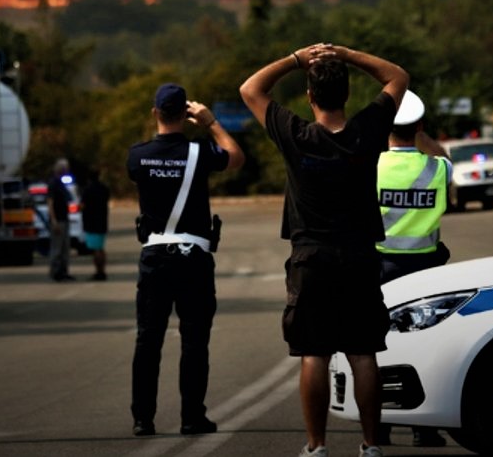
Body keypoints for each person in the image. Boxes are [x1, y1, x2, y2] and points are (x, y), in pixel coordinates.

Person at [239, 43, 408, 457]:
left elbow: (251, 89)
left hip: (311, 256)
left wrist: (297, 59)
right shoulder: (367, 130)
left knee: (313, 353)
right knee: (363, 353)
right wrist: (347, 55)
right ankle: (371, 446)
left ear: (310, 97)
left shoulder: (296, 134)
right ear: (347, 94)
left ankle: (316, 446)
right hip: (359, 255)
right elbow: (397, 77)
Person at [127, 83, 245, 437]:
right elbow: (236, 158)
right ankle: (192, 417)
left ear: (155, 113)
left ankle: (142, 419)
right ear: (185, 114)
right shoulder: (200, 151)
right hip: (193, 256)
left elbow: (142, 173)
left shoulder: (137, 155)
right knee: (194, 340)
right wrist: (211, 122)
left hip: (155, 256)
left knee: (148, 339)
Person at [374, 90, 451, 449]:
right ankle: (424, 427)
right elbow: (444, 156)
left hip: (380, 268)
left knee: (376, 346)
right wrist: (421, 134)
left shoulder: (371, 166)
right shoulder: (437, 168)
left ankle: (380, 425)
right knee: (423, 344)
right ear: (418, 126)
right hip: (426, 269)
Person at [80, 168, 110, 281]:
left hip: (91, 222)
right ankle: (102, 270)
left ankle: (99, 272)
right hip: (102, 221)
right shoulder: (104, 189)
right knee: (101, 247)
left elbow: (82, 205)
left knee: (96, 249)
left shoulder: (87, 190)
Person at [47, 158, 75, 282]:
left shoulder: (61, 183)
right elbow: (50, 203)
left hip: (64, 218)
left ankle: (64, 271)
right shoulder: (53, 183)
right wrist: (54, 221)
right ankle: (55, 271)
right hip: (58, 220)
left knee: (64, 247)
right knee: (57, 248)